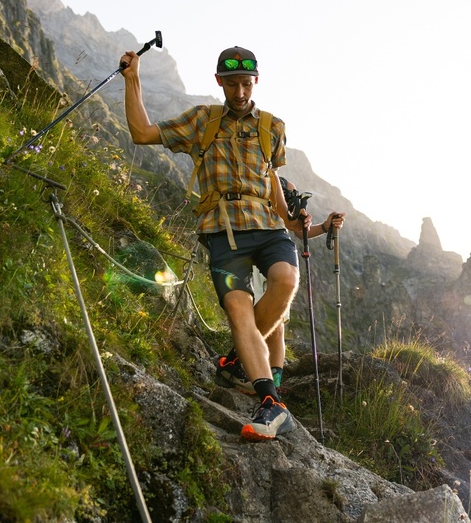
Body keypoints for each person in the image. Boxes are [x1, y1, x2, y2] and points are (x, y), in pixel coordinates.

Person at [120, 45, 307, 441]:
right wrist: (132, 79)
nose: (240, 92)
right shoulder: (201, 121)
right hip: (222, 229)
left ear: (255, 81)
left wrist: (290, 219)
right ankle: (271, 404)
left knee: (286, 280)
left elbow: (270, 176)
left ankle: (237, 361)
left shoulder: (273, 127)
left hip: (269, 225)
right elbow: (141, 133)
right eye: (232, 83)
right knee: (239, 308)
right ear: (219, 81)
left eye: (246, 83)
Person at [216, 182, 345, 394]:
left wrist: (324, 226)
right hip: (259, 254)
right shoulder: (263, 184)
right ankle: (251, 371)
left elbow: (297, 229)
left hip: (275, 254)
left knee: (278, 323)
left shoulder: (275, 184)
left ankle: (265, 380)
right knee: (267, 317)